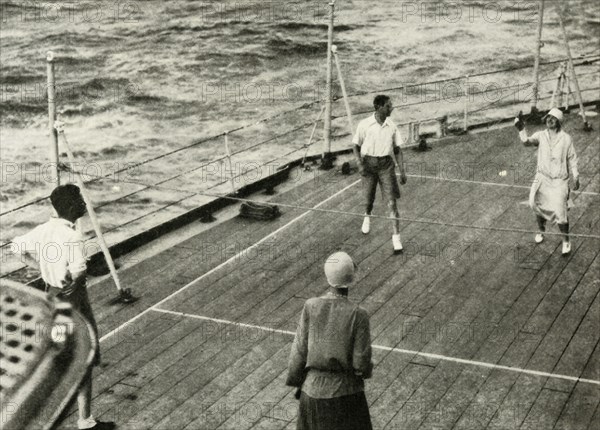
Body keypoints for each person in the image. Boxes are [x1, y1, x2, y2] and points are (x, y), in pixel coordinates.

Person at [11, 184, 115, 430]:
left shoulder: (43, 230)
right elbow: (79, 269)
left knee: (57, 356)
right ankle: (85, 421)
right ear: (70, 207)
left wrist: (40, 268)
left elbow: (16, 247)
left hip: (52, 297)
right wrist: (72, 278)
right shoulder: (72, 236)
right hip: (74, 301)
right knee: (85, 355)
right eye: (80, 200)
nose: (83, 204)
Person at [286, 252, 373, 430]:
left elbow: (299, 352)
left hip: (311, 393)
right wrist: (367, 369)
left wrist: (298, 383)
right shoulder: (359, 314)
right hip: (346, 395)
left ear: (328, 277)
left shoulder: (310, 306)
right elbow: (360, 364)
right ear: (351, 277)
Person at [514, 108, 580, 255]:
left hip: (559, 180)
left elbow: (572, 158)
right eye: (548, 117)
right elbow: (526, 142)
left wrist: (576, 176)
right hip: (542, 177)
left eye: (553, 118)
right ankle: (541, 230)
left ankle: (566, 241)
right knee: (534, 203)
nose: (550, 120)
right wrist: (521, 128)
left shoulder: (566, 138)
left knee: (560, 211)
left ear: (559, 122)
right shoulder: (541, 135)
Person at [353, 94, 407, 254]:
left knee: (392, 203)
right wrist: (359, 164)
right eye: (388, 106)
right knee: (368, 199)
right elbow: (355, 145)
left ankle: (396, 238)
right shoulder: (364, 125)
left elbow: (397, 150)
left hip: (386, 165)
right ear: (379, 107)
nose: (392, 108)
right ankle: (367, 215)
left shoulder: (392, 126)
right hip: (368, 164)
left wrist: (402, 170)